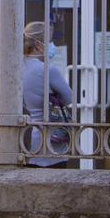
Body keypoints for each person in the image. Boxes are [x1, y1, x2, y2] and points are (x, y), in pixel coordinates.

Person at [21, 21, 74, 167]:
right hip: (50, 145)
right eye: (49, 41)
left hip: (23, 142)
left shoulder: (15, 67)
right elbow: (69, 98)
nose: (52, 46)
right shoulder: (47, 70)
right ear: (38, 45)